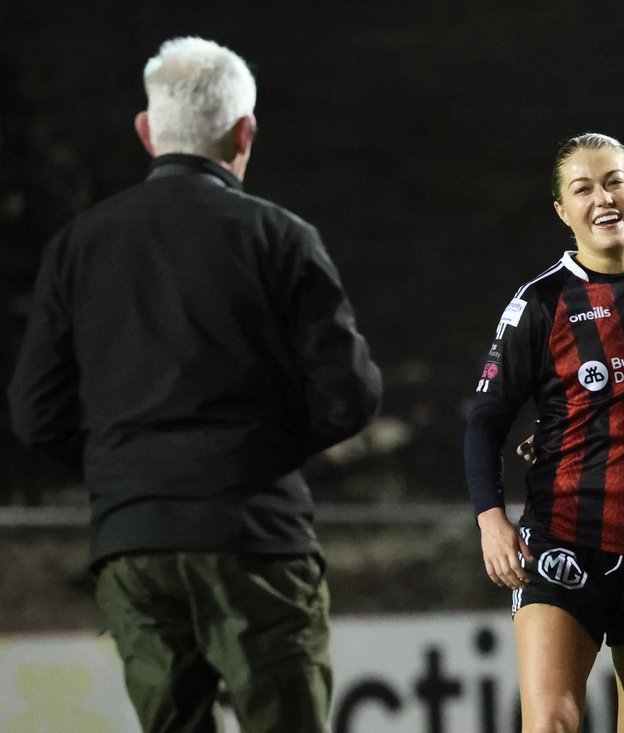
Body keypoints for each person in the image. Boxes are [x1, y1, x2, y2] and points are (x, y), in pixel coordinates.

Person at [7, 37, 382, 733]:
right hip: (254, 533)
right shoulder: (281, 237)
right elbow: (350, 395)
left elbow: (35, 411)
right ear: (245, 132)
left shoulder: (79, 245)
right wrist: (260, 449)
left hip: (133, 539)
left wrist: (128, 467)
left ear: (148, 132)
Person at [464, 132, 624, 733]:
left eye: (613, 182)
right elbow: (485, 421)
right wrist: (490, 519)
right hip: (563, 538)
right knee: (550, 721)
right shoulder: (540, 303)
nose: (601, 198)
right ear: (562, 210)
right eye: (582, 189)